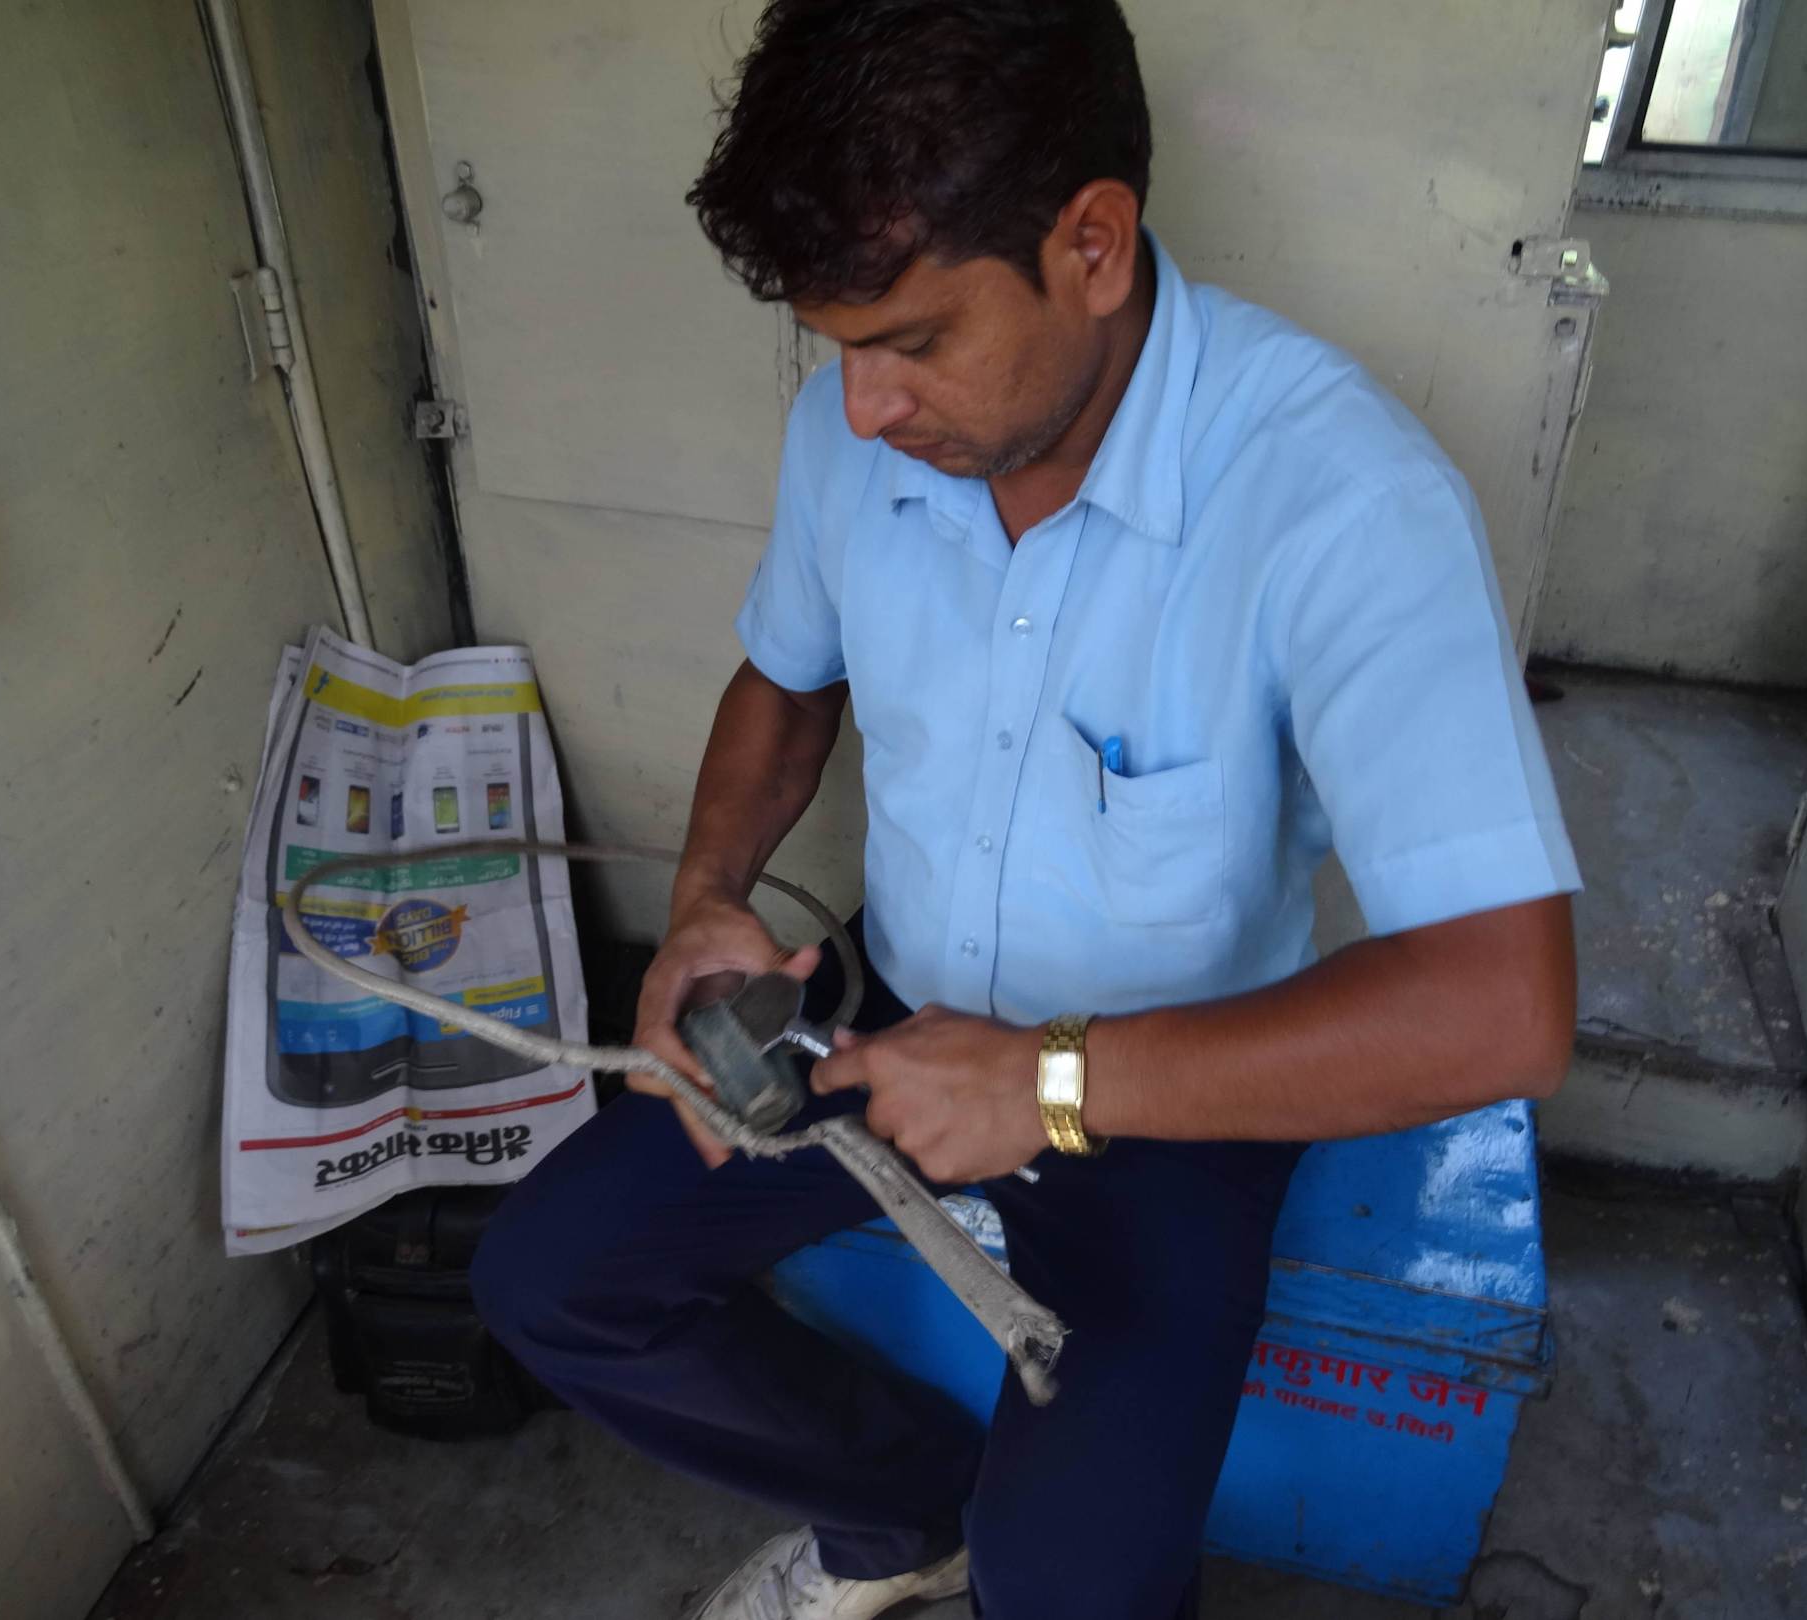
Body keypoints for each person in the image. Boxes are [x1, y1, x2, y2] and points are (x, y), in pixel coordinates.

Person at [471, 2, 1580, 1615]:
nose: (862, 407)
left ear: (1093, 245)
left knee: (1066, 1588)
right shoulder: (855, 433)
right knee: (551, 1278)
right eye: (836, 346)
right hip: (887, 1011)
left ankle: (1016, 1537)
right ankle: (902, 1507)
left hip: (1167, 1092)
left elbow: (1503, 1004)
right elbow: (788, 678)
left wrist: (1052, 1080)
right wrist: (713, 891)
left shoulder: (1342, 499)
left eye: (913, 341)